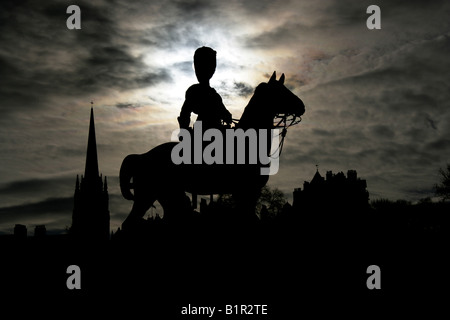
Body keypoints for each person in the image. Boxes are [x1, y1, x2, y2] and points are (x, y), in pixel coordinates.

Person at [178, 47, 232, 131]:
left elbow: (222, 110)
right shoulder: (195, 91)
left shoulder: (214, 94)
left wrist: (226, 115)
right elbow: (185, 112)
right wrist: (184, 129)